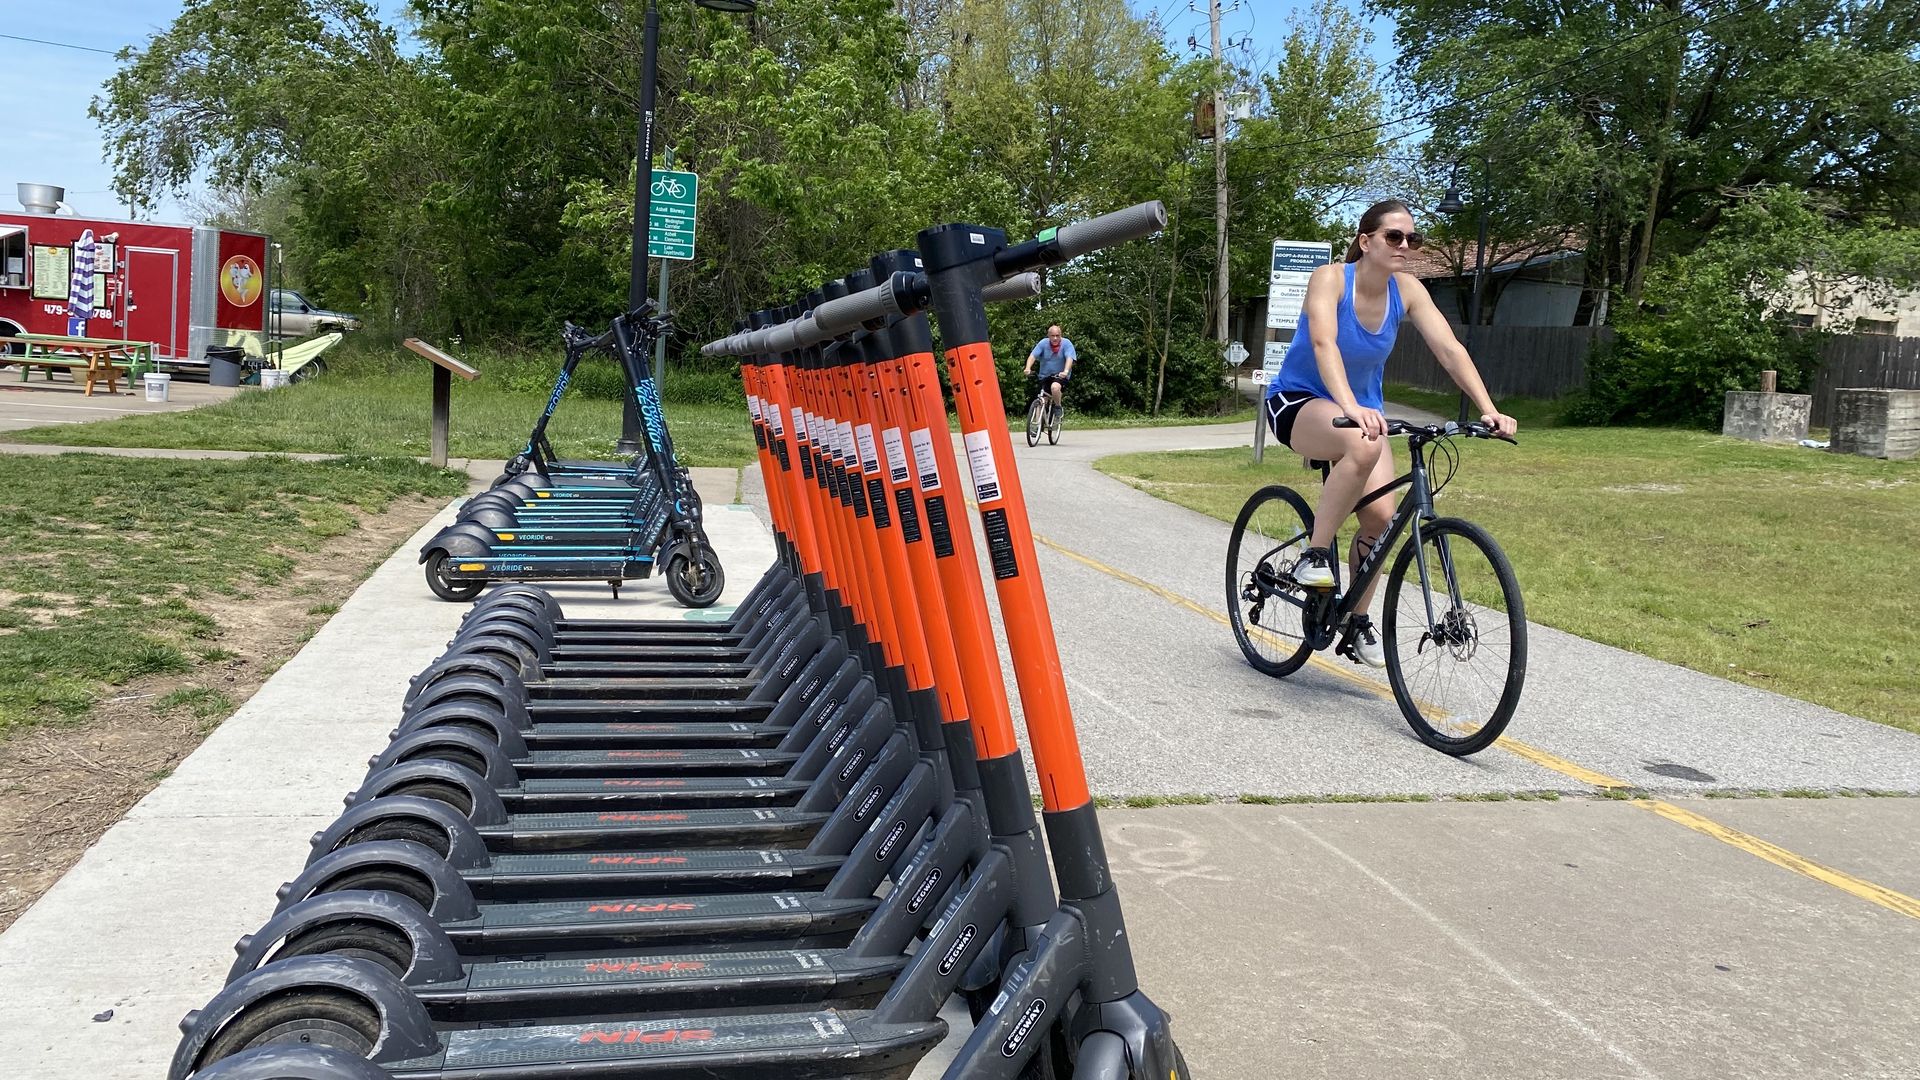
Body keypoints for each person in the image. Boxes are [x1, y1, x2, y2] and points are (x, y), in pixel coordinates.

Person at [1263, 198, 1517, 668]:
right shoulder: (1332, 278)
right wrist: (1350, 406)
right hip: (1298, 403)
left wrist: (1489, 409)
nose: (1405, 245)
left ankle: (1356, 620)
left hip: (1363, 417)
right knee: (1364, 441)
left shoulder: (1409, 290)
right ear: (1366, 241)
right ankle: (1315, 555)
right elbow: (1323, 342)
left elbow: (1449, 349)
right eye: (1394, 237)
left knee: (1380, 522)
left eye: (1413, 238)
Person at [1024, 324, 1075, 409]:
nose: (1055, 338)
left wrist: (1066, 371)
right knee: (1041, 401)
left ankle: (1058, 408)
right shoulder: (1043, 343)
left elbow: (1069, 358)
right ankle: (1037, 420)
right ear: (1048, 336)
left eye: (1057, 336)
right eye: (1052, 336)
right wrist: (1027, 368)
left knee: (1054, 387)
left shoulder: (1067, 344)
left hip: (1060, 376)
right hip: (1045, 376)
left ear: (1061, 335)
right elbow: (1032, 356)